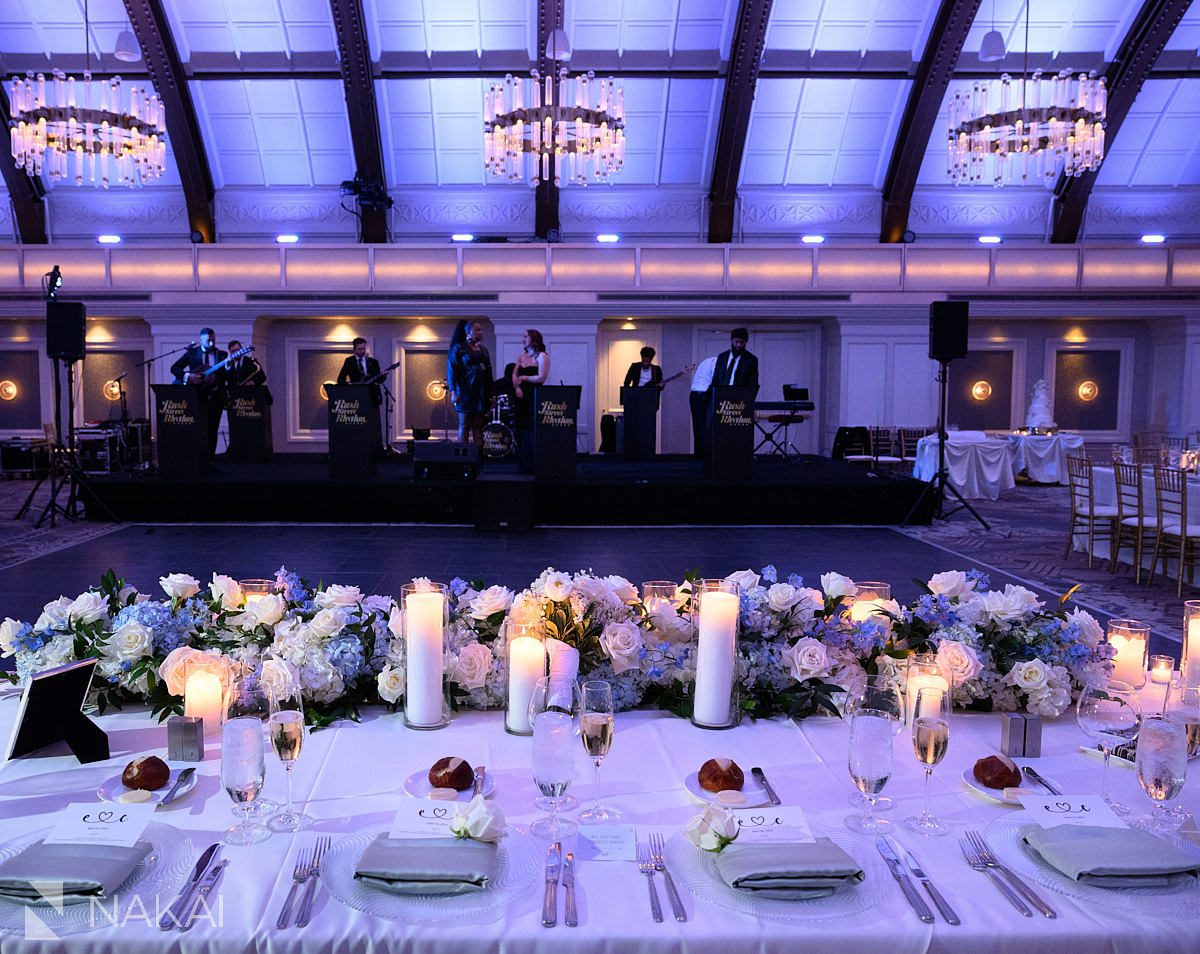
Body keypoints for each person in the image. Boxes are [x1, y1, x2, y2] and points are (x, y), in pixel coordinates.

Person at [170, 327, 227, 459]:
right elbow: (174, 368)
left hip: (215, 398)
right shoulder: (192, 353)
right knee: (197, 430)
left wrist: (228, 366)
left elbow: (226, 376)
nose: (212, 343)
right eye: (208, 340)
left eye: (213, 340)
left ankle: (211, 461)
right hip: (196, 397)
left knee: (212, 430)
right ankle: (197, 460)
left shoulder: (221, 355)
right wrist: (188, 376)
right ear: (201, 340)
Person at [446, 320, 493, 446]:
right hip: (465, 392)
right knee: (464, 425)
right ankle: (464, 458)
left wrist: (491, 394)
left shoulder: (483, 350)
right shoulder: (458, 348)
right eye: (477, 330)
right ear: (468, 332)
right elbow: (452, 371)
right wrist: (453, 392)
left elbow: (489, 373)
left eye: (481, 330)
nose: (480, 332)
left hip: (480, 393)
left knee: (478, 426)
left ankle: (478, 458)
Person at [336, 337, 382, 406]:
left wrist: (383, 375)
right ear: (354, 350)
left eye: (364, 349)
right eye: (359, 349)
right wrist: (351, 384)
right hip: (356, 396)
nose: (362, 351)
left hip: (372, 397)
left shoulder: (372, 362)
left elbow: (379, 380)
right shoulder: (349, 361)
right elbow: (340, 379)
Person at [689, 354, 717, 459]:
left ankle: (700, 455)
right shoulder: (719, 363)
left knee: (698, 426)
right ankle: (707, 456)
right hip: (704, 395)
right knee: (707, 427)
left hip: (695, 394)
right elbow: (716, 381)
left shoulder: (709, 361)